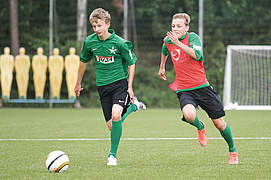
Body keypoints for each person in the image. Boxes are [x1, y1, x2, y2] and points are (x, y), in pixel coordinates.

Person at [158, 13, 238, 164]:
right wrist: (162, 66)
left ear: (187, 27)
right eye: (173, 26)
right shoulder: (169, 40)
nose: (175, 29)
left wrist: (179, 44)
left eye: (179, 26)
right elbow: (164, 48)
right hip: (184, 88)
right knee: (188, 115)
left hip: (202, 87)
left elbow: (197, 55)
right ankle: (200, 126)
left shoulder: (193, 37)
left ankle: (233, 150)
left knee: (219, 123)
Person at [74, 8, 146, 166]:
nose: (96, 29)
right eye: (94, 26)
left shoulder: (119, 43)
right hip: (102, 87)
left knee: (116, 115)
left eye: (99, 25)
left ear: (107, 24)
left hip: (120, 83)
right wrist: (78, 83)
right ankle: (133, 107)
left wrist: (130, 86)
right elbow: (83, 62)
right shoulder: (89, 42)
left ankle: (112, 156)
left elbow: (132, 63)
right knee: (112, 125)